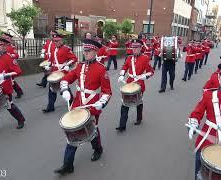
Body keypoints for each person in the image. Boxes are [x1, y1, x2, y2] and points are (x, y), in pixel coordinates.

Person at [54, 39, 112, 175]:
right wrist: (65, 90)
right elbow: (66, 79)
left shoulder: (101, 69)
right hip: (78, 104)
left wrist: (101, 103)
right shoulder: (79, 66)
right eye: (84, 51)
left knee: (92, 131)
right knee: (72, 133)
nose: (85, 53)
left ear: (95, 52)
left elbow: (107, 92)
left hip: (92, 105)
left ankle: (98, 149)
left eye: (88, 51)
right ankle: (68, 165)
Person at [116, 39, 154, 132]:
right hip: (129, 83)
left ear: (141, 48)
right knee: (125, 104)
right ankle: (122, 125)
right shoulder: (129, 58)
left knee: (139, 102)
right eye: (133, 47)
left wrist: (144, 76)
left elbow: (151, 71)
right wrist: (121, 75)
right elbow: (124, 67)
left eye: (136, 47)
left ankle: (139, 118)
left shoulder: (145, 58)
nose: (134, 49)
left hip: (139, 83)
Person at [42, 33, 78, 113]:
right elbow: (51, 59)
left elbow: (74, 58)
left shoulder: (66, 49)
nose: (55, 42)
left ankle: (72, 103)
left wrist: (67, 65)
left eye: (57, 41)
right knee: (51, 89)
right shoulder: (53, 49)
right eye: (54, 41)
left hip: (62, 72)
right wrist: (49, 65)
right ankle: (50, 107)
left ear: (61, 41)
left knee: (64, 88)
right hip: (54, 72)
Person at [1, 32, 24, 99]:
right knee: (9, 80)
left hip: (10, 66)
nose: (6, 39)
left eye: (7, 38)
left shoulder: (12, 47)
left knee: (10, 80)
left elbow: (17, 55)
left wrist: (10, 56)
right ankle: (18, 91)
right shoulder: (3, 46)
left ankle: (18, 91)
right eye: (4, 38)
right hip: (5, 65)